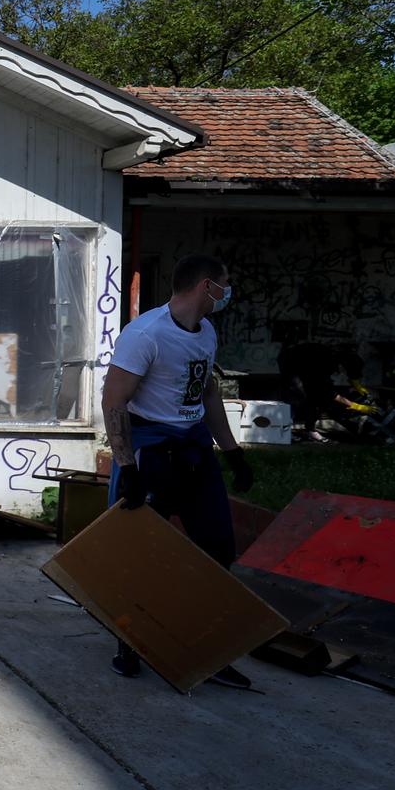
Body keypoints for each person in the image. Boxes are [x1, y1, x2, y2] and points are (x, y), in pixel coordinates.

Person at [102, 253, 255, 689]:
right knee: (138, 555)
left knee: (218, 550)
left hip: (193, 451)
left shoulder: (206, 330)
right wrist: (128, 467)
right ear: (206, 286)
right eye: (225, 283)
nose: (228, 291)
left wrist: (231, 452)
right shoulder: (145, 334)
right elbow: (114, 402)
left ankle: (205, 647)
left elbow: (206, 390)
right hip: (150, 452)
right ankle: (128, 641)